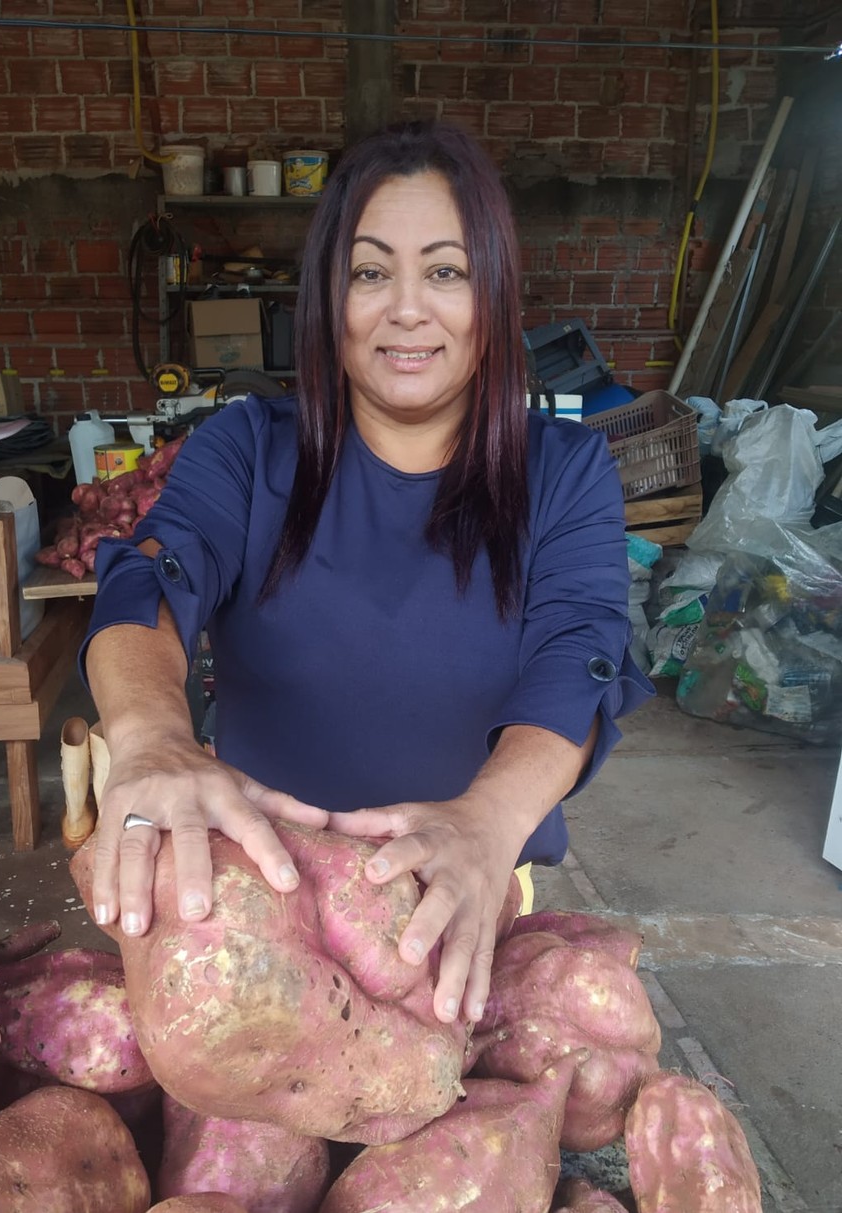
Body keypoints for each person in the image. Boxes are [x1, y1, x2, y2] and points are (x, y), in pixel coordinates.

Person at [82, 120, 653, 1028]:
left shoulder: (566, 472)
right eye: (371, 271)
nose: (408, 310)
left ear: (493, 294)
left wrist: (487, 822)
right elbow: (147, 581)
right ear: (328, 297)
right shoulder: (246, 449)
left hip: (463, 898)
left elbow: (580, 658)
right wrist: (153, 737)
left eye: (446, 271)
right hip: (265, 899)